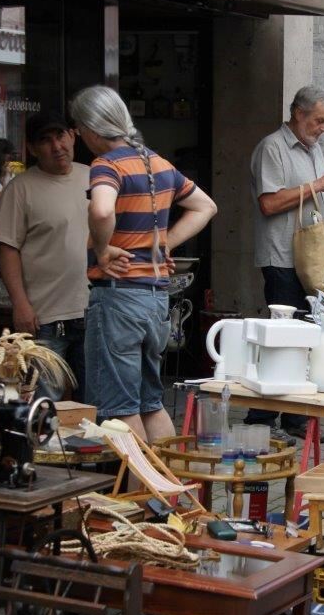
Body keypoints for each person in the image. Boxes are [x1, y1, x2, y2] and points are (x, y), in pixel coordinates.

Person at [71, 85, 217, 443]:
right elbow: (206, 206)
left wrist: (103, 249)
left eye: (78, 127)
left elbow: (102, 208)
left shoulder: (106, 165)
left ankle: (143, 493)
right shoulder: (158, 163)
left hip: (118, 299)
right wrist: (163, 242)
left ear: (90, 128)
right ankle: (170, 489)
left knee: (120, 409)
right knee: (151, 403)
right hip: (155, 300)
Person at [248, 85, 324, 438]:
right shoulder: (273, 148)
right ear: (298, 113)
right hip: (282, 256)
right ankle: (261, 418)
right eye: (319, 120)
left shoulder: (314, 150)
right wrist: (317, 184)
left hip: (311, 259)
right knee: (282, 337)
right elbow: (268, 204)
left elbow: (318, 204)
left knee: (306, 337)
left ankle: (294, 418)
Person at [0, 111, 90, 400]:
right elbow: (6, 248)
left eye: (60, 136)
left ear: (73, 136)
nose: (56, 146)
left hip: (94, 311)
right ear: (33, 149)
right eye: (45, 140)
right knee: (44, 404)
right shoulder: (20, 188)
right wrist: (20, 304)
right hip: (45, 317)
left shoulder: (95, 176)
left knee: (96, 406)